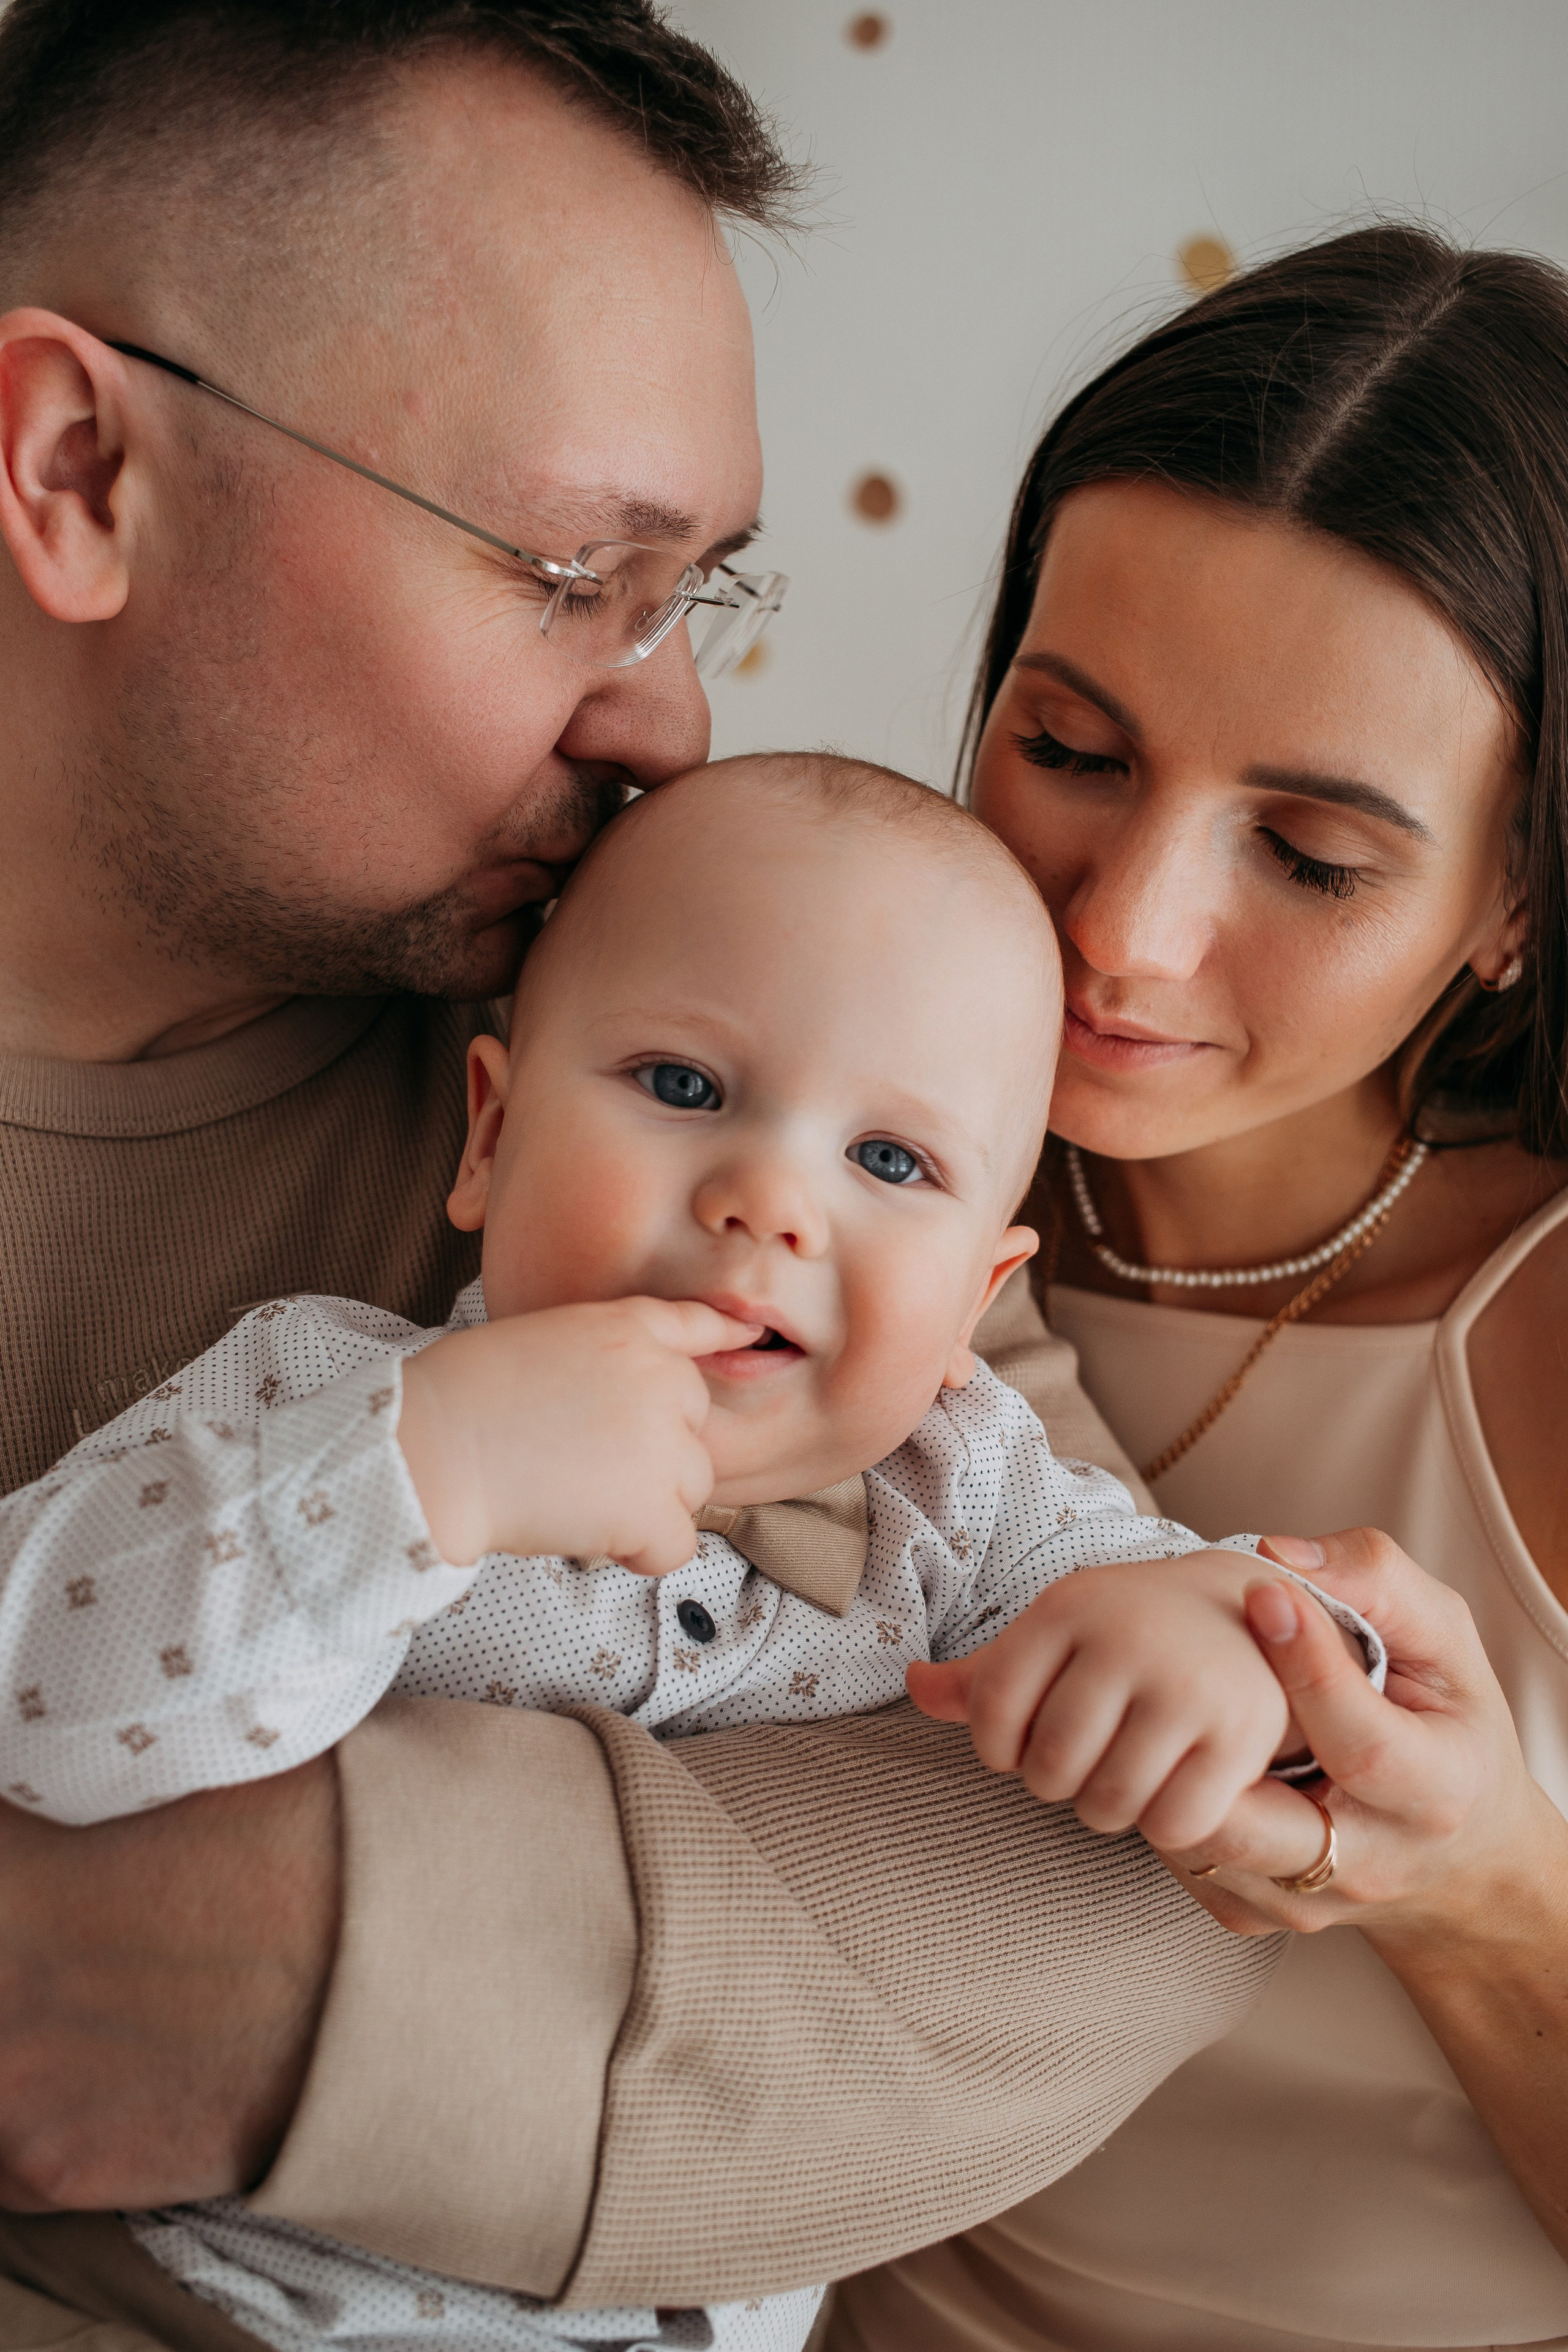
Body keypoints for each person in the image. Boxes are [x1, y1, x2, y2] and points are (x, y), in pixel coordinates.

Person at [0, 4, 1290, 2345]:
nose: (671, 723)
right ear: (82, 468)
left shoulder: (697, 1018)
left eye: (701, 595)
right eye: (571, 571)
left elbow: (1153, 1911)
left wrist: (208, 1969)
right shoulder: (609, 1093)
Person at [1, 753, 1378, 2352]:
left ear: (975, 1301)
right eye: (682, 1085)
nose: (770, 1201)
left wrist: (1227, 1648)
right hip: (187, 2298)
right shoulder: (329, 1397)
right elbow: (36, 1695)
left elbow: (1242, 1634)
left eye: (891, 1162)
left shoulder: (966, 1489)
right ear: (491, 1137)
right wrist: (420, 1475)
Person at [829, 222, 1568, 2352]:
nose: (1124, 933)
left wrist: (1483, 1885)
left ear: (1516, 900)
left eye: (1312, 856)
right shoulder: (791, 1128)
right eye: (1069, 747)